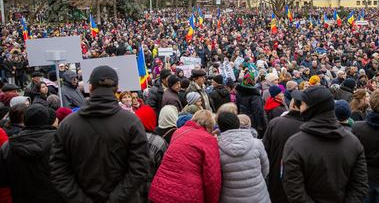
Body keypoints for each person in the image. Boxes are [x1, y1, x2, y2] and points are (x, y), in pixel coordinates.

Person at [49, 65, 149, 202]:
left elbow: (58, 171)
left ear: (90, 87)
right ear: (116, 88)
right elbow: (140, 169)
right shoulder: (132, 122)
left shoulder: (67, 124)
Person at [282, 86, 368, 202]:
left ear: (312, 108)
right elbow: (360, 186)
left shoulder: (294, 144)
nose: (299, 108)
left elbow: (293, 190)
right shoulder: (353, 142)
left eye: (302, 104)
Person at [149, 110, 221, 203]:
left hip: (159, 190)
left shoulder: (178, 132)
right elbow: (212, 178)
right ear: (209, 126)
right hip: (185, 195)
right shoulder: (209, 140)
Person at [0, 104, 63, 203]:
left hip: (22, 197)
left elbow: (3, 180)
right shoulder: (60, 143)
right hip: (55, 197)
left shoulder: (7, 147)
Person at [217, 111, 270, 203]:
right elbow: (265, 169)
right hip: (258, 195)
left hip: (230, 196)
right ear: (237, 123)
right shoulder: (256, 143)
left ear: (220, 127)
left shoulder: (217, 148)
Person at [263, 95, 306, 202]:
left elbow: (265, 150)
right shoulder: (309, 126)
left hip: (276, 176)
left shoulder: (275, 122)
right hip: (300, 182)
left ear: (294, 105)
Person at [236, 72, 267, 138]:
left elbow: (237, 107)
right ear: (253, 81)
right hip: (253, 123)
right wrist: (260, 125)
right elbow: (258, 111)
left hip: (242, 120)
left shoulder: (239, 93)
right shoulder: (255, 96)